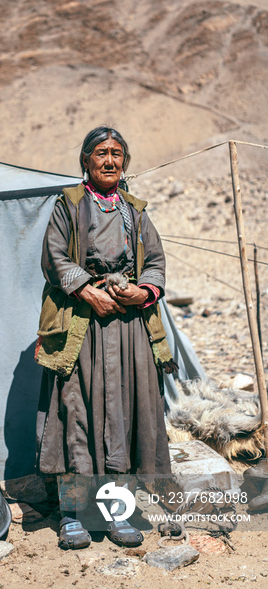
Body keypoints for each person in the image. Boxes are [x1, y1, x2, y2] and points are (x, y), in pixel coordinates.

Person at [35, 127, 175, 550]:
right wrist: (87, 292)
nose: (109, 161)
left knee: (126, 415)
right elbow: (54, 257)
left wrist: (142, 290)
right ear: (86, 161)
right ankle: (73, 516)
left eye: (117, 153)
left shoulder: (136, 211)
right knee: (74, 414)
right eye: (101, 153)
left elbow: (155, 261)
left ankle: (119, 514)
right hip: (80, 325)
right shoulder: (69, 206)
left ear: (124, 162)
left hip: (129, 328)